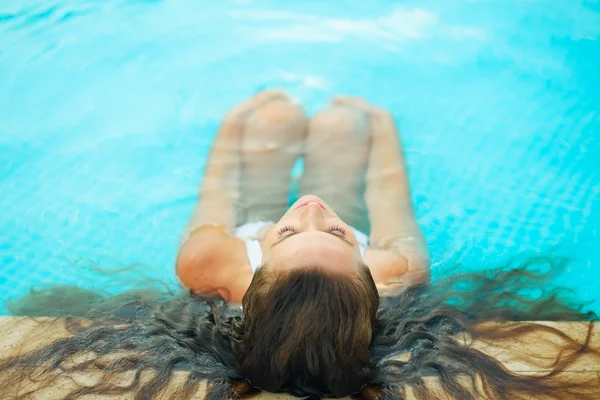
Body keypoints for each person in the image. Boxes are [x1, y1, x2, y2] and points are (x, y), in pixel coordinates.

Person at [0, 91, 597, 400]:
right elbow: (390, 197)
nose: (311, 210)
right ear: (370, 277)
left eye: (295, 232)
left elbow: (217, 193)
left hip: (253, 218)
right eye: (334, 235)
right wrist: (382, 125)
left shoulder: (211, 263)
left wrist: (234, 125)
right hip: (313, 246)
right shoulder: (397, 268)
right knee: (346, 125)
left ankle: (276, 175)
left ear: (248, 276)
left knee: (272, 120)